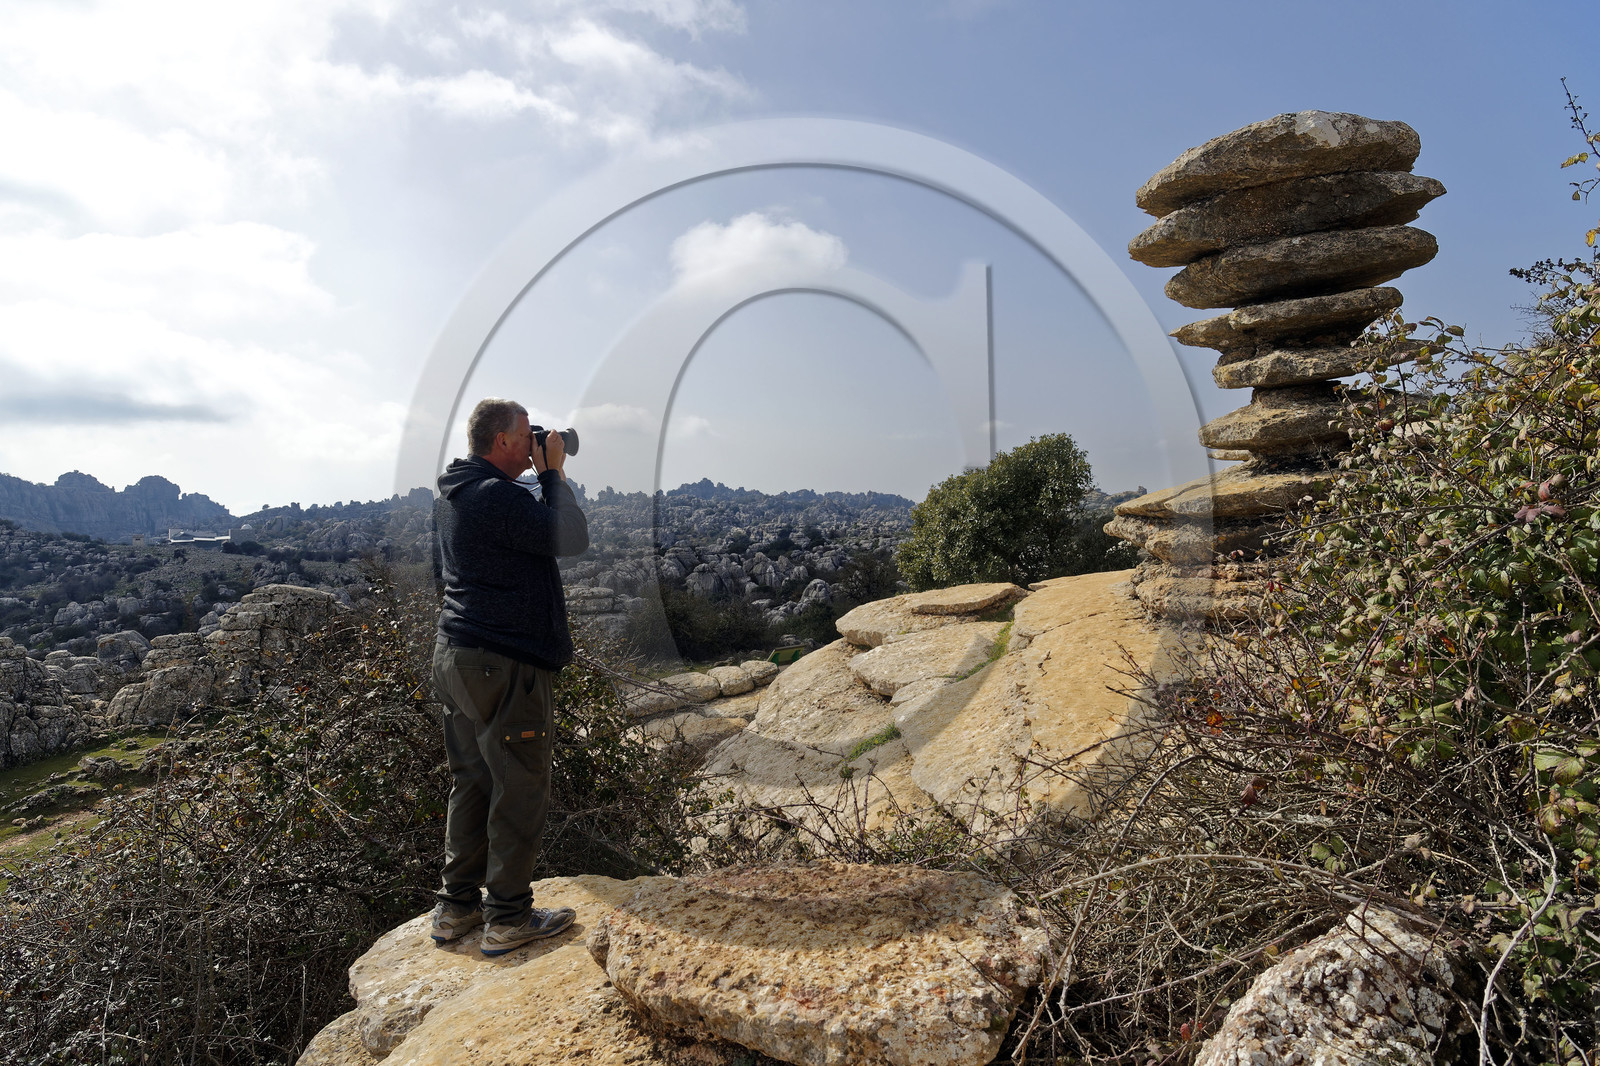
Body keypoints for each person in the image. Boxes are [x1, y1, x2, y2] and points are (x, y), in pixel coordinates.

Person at [427, 397, 589, 955]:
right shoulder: (498, 495)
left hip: (456, 656)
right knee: (519, 785)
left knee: (471, 782)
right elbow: (571, 538)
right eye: (526, 436)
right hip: (505, 661)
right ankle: (508, 918)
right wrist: (554, 473)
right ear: (501, 442)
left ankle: (456, 910)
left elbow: (442, 574)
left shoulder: (452, 495)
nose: (534, 443)